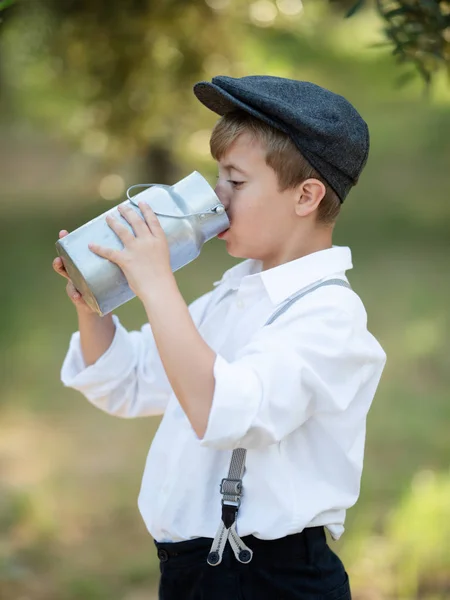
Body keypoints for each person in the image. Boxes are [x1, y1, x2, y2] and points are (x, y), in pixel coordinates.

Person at [53, 75, 386, 600]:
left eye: (235, 180)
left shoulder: (329, 316)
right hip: (197, 573)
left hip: (268, 579)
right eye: (217, 177)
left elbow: (224, 410)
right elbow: (130, 381)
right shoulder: (237, 292)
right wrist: (96, 297)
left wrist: (158, 282)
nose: (215, 196)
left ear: (305, 196)